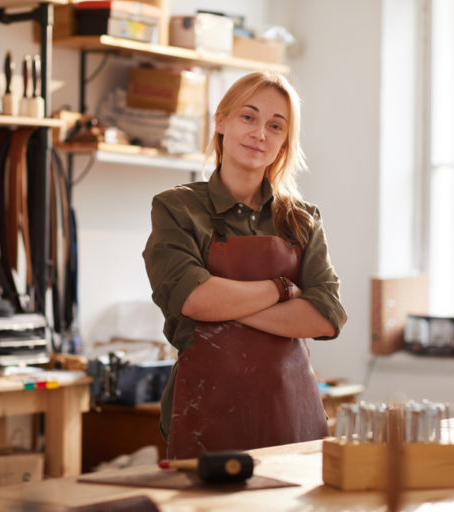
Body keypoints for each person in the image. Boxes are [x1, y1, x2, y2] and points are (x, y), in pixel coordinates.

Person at [143, 71, 347, 459]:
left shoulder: (303, 219)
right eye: (248, 117)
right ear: (221, 121)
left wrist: (227, 305)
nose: (260, 134)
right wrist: (282, 290)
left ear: (285, 140)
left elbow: (326, 315)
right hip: (205, 412)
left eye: (275, 125)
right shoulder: (177, 207)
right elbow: (193, 298)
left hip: (292, 415)